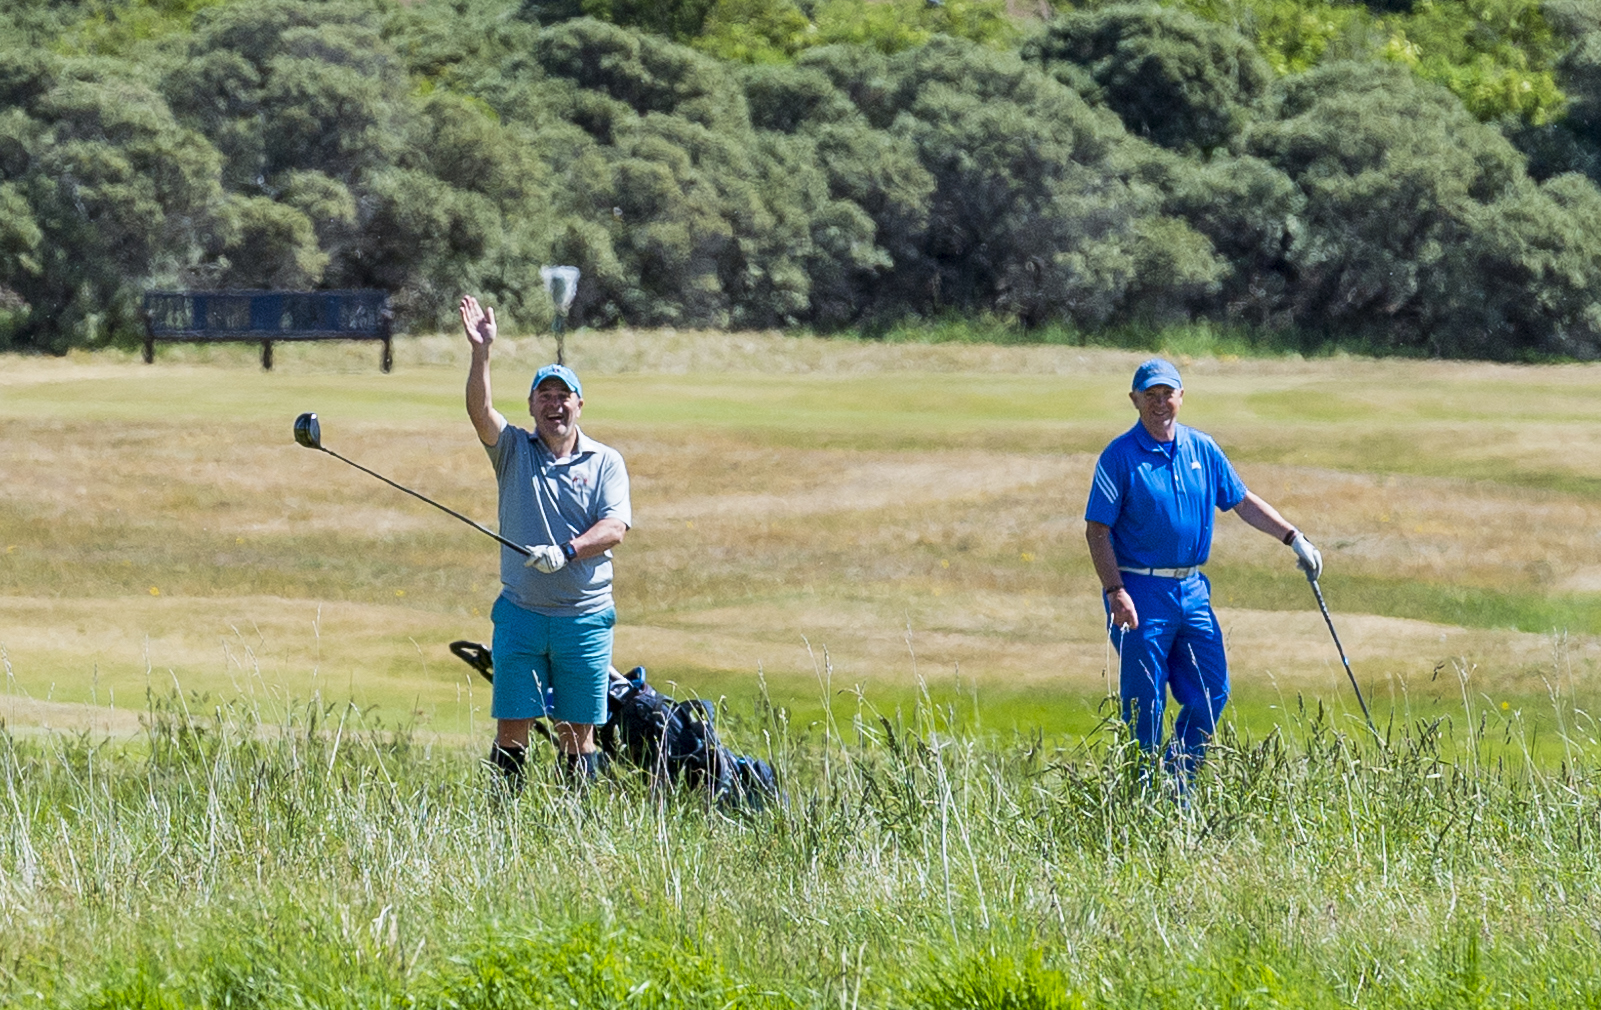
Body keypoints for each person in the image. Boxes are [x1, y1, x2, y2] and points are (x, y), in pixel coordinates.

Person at [1084, 358, 1320, 777]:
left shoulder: (1202, 448)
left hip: (1191, 591)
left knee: (1211, 691)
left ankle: (1177, 783)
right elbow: (1098, 530)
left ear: (1181, 397)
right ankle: (1141, 800)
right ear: (1135, 399)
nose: (1160, 403)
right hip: (1139, 592)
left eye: (1167, 394)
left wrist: (1292, 537)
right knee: (1146, 704)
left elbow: (1242, 500)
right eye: (1150, 395)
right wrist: (1114, 591)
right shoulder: (1119, 457)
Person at [459, 295, 631, 792]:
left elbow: (615, 526)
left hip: (584, 615)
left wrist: (567, 552)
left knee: (578, 735)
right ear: (533, 404)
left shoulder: (605, 462)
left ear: (579, 404)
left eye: (563, 397)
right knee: (513, 730)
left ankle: (572, 827)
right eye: (544, 397)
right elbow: (479, 411)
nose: (554, 405)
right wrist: (481, 353)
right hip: (521, 613)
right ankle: (505, 826)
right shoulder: (513, 448)